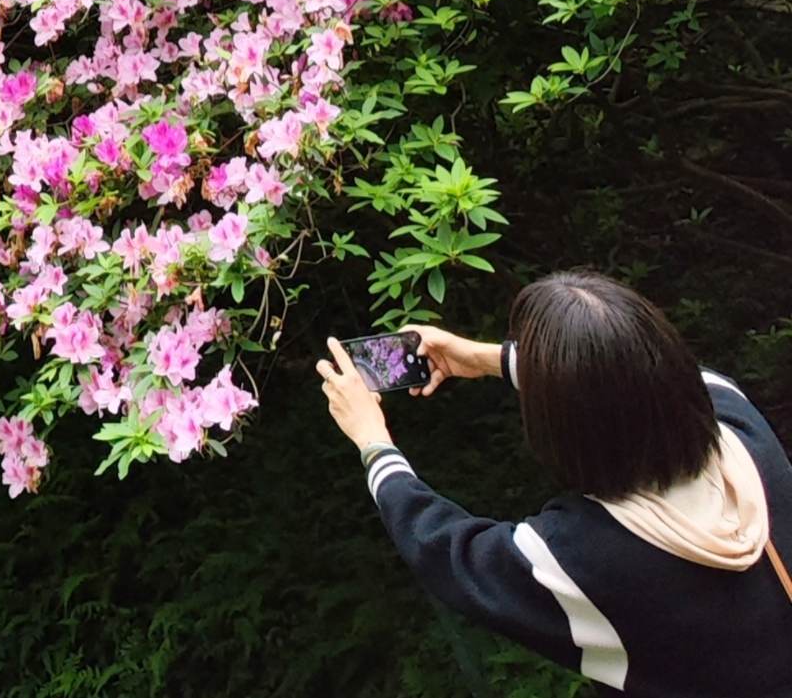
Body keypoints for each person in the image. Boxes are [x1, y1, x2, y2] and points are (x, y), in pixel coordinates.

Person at [316, 271, 792, 694]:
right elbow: (635, 382)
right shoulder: (743, 428)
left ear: (563, 434)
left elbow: (446, 551)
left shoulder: (585, 559)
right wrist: (483, 358)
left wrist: (373, 441)